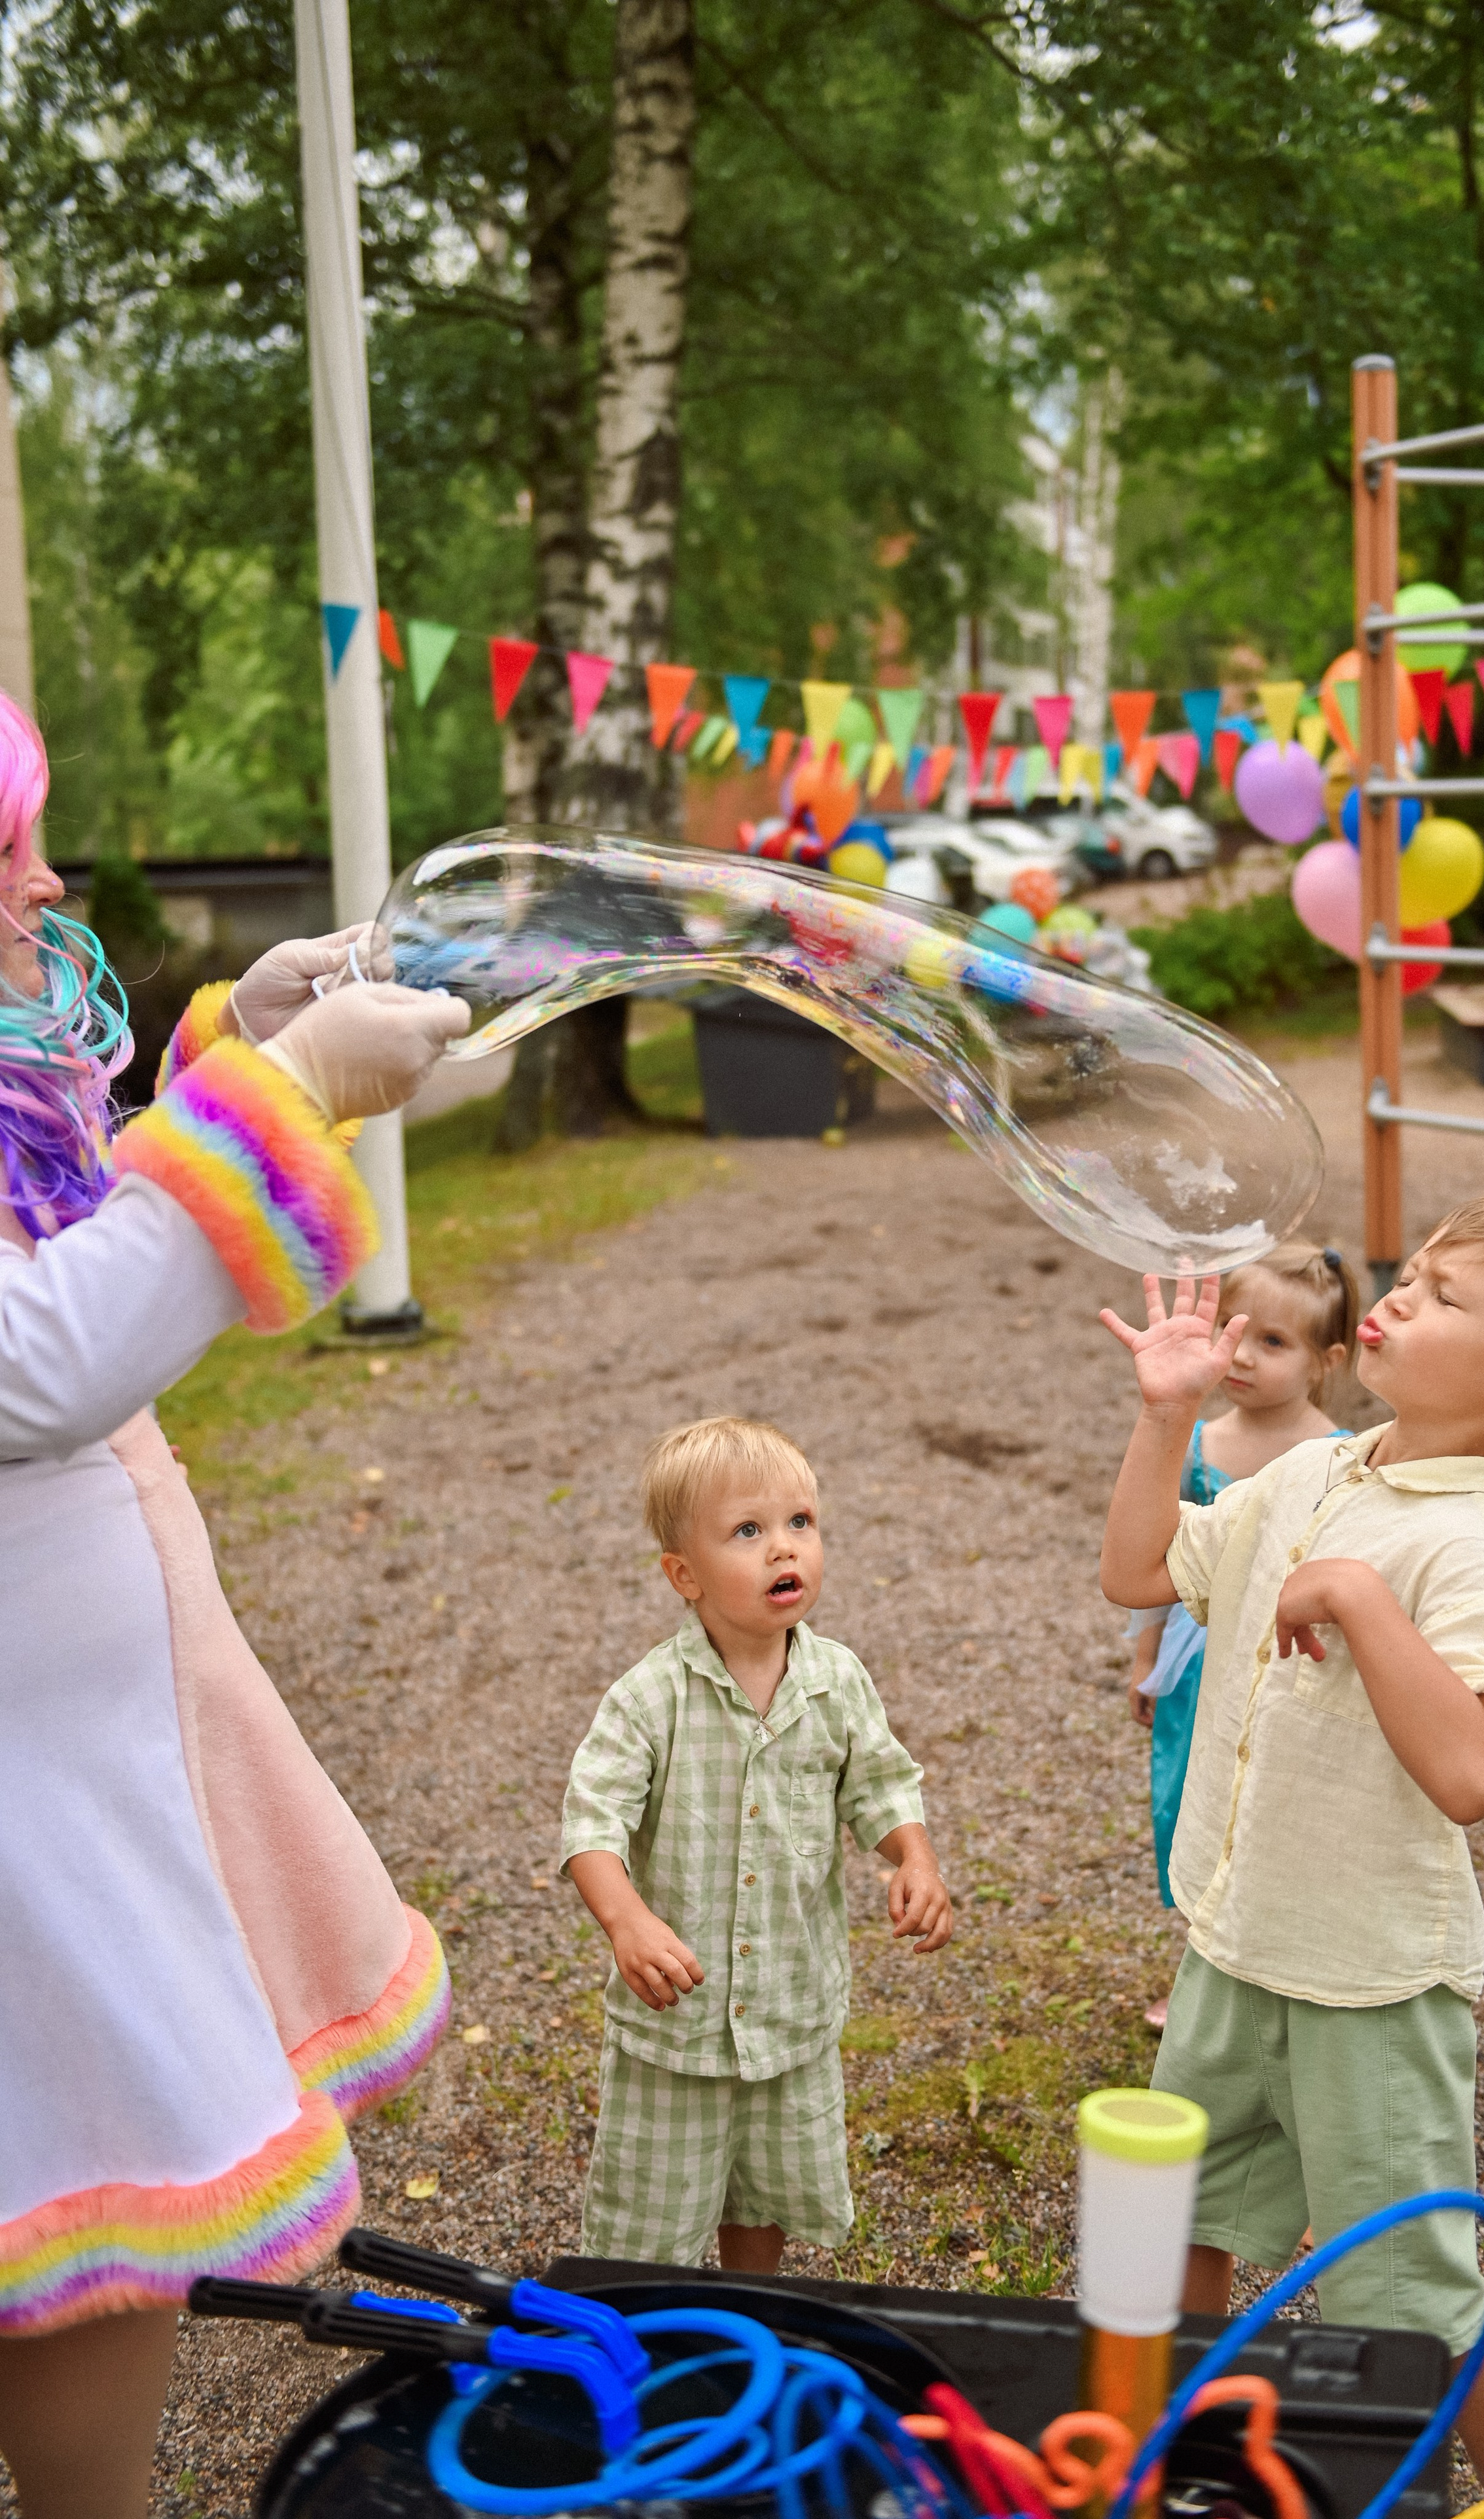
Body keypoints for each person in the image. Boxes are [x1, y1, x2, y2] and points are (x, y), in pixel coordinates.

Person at [0, 695, 469, 2519]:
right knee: (71, 2164)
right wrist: (287, 1106)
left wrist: (232, 1059)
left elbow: (60, 1243)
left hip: (59, 1776)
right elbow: (37, 1357)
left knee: (75, 2193)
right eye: (1, 852)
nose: (46, 877)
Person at [1098, 1196, 1484, 2519]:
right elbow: (1136, 1571)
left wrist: (1358, 1598)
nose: (1397, 1296)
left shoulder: (1455, 1545)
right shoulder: (1310, 1472)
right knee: (1179, 2235)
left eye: (1442, 1295)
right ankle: (1151, 2476)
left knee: (1414, 2298)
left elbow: (1471, 1774)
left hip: (1367, 1988)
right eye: (1407, 1275)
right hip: (1234, 1941)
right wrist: (1158, 1420)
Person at [560, 1415, 952, 2274]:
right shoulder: (648, 1699)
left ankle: (751, 2321)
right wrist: (625, 1919)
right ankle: (640, 2354)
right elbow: (594, 1820)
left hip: (790, 2008)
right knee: (647, 2225)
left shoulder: (835, 1680)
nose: (785, 1551)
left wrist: (912, 1856)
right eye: (749, 1531)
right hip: (680, 2026)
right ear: (684, 1575)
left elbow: (880, 1783)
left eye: (800, 1524)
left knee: (766, 2192)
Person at [1123, 1245, 1356, 2023]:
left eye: (1273, 1342)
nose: (1242, 1356)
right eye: (1234, 1329)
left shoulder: (1342, 1456)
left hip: (1295, 1662)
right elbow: (1158, 1560)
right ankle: (1201, 1966)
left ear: (1327, 1361)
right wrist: (1146, 1659)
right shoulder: (1196, 1446)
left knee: (1273, 1803)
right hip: (1198, 1663)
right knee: (1194, 1796)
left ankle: (1275, 1967)